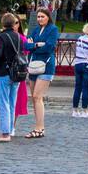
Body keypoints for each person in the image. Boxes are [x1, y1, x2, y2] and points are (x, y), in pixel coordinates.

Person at [0, 12, 25, 142]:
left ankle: (4, 133)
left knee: (3, 102)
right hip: (16, 73)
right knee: (11, 102)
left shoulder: (2, 37)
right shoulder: (19, 36)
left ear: (3, 24)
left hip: (3, 72)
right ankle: (9, 130)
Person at [24, 8, 58, 138]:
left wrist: (34, 46)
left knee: (37, 96)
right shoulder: (36, 30)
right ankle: (39, 126)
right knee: (34, 98)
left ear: (48, 17)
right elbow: (26, 45)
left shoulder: (53, 29)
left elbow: (49, 47)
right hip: (33, 66)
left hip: (46, 66)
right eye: (38, 17)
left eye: (42, 16)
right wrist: (37, 45)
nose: (39, 19)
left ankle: (39, 128)